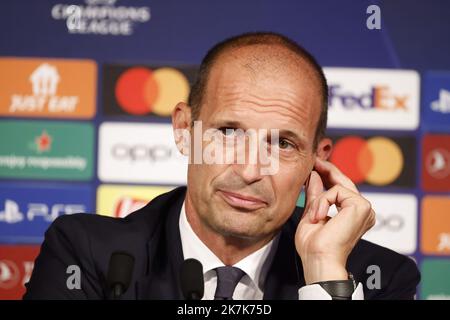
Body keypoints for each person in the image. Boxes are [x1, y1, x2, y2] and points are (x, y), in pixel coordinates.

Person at [23, 32, 420, 300]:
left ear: (316, 162)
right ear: (184, 130)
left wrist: (324, 275)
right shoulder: (86, 253)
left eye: (283, 143)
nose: (249, 170)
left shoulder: (374, 278)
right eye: (229, 132)